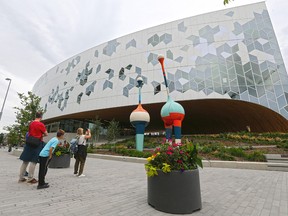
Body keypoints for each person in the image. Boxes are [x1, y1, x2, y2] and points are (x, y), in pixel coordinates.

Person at [18, 111, 48, 183]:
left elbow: (30, 132)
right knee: (33, 161)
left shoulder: (31, 123)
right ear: (41, 116)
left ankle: (21, 177)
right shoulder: (41, 124)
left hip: (29, 142)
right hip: (37, 143)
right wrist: (41, 135)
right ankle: (30, 178)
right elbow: (46, 133)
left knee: (25, 161)